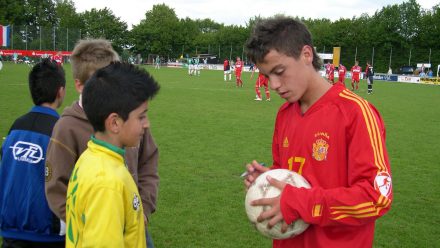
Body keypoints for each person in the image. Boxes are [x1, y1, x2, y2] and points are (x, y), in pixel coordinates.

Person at [244, 16, 392, 248]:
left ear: (306, 55)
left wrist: (300, 202)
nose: (273, 85)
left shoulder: (356, 113)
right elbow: (296, 175)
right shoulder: (285, 113)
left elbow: (377, 197)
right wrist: (269, 179)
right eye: (266, 76)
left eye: (279, 71)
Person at [45, 39, 159, 248]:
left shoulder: (130, 122)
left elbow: (148, 163)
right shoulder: (68, 129)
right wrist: (86, 221)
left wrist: (142, 206)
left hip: (134, 223)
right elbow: (56, 187)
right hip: (101, 227)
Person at [0, 59, 66, 248]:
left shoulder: (16, 127)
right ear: (60, 92)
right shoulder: (60, 131)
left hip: (11, 231)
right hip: (49, 235)